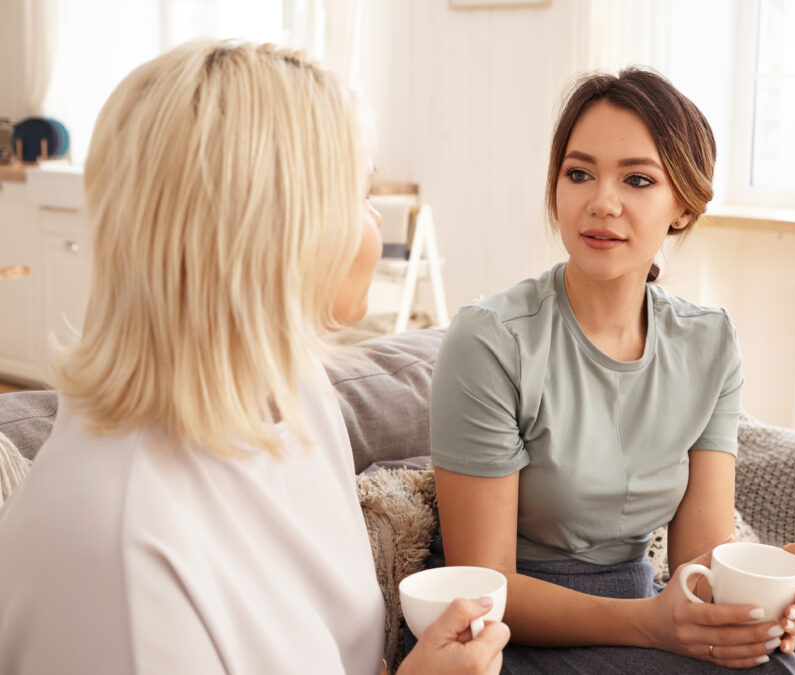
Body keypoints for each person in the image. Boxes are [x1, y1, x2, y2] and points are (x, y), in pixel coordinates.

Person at [0, 40, 508, 675]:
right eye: (361, 194)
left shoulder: (296, 396)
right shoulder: (119, 558)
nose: (375, 222)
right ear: (283, 234)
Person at [427, 68, 795, 673]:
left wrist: (750, 600)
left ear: (683, 207)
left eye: (637, 179)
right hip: (508, 633)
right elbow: (483, 588)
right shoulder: (490, 341)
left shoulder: (710, 342)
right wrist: (652, 625)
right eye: (578, 173)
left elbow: (699, 554)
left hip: (642, 614)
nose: (601, 202)